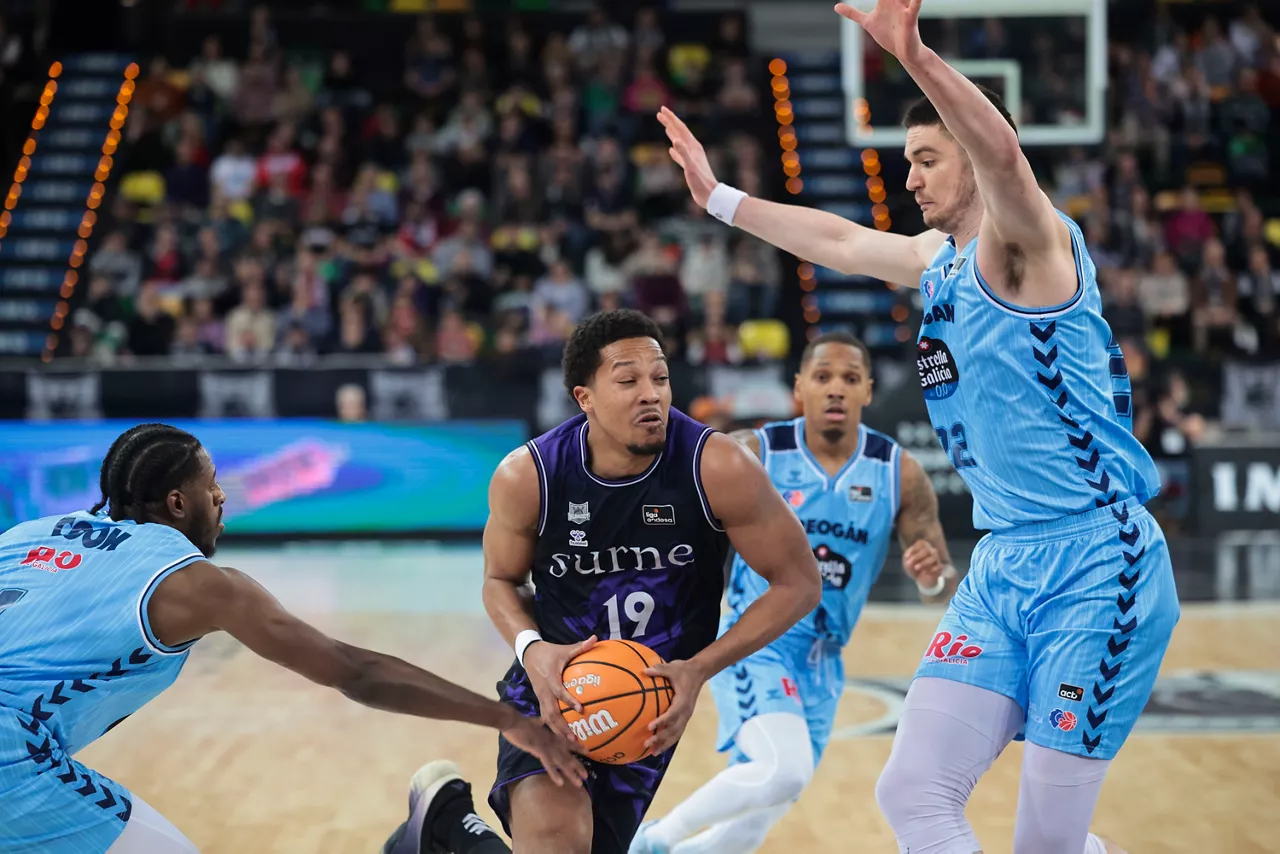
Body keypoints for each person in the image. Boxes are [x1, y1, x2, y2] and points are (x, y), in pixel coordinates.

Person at [656, 2, 1178, 851]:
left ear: (972, 156)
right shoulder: (938, 263)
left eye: (926, 158)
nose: (911, 177)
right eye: (908, 161)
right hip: (1005, 561)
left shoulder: (1034, 249)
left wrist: (913, 54)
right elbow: (839, 240)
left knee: (1044, 840)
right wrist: (719, 198)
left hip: (1098, 559)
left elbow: (1006, 156)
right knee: (911, 792)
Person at [0, 423, 584, 854]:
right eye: (211, 486)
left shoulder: (27, 534)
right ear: (179, 503)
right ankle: (438, 835)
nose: (223, 497)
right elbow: (355, 671)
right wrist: (505, 718)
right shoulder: (193, 582)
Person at [448, 308, 820, 854]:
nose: (651, 394)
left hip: (648, 706)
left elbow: (798, 582)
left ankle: (447, 831)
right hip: (553, 690)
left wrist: (698, 668)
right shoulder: (529, 476)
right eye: (627, 380)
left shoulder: (717, 467)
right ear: (586, 398)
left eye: (661, 378)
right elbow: (499, 580)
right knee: (556, 843)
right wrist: (531, 650)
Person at [630, 332, 956, 854]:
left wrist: (930, 577)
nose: (835, 390)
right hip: (756, 640)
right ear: (799, 386)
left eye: (849, 379)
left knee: (762, 812)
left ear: (868, 391)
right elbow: (672, 494)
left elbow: (941, 588)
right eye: (822, 377)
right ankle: (649, 840)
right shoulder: (756, 451)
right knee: (784, 771)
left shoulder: (900, 472)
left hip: (824, 660)